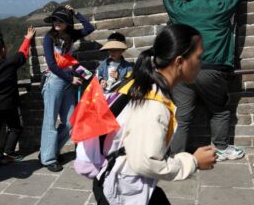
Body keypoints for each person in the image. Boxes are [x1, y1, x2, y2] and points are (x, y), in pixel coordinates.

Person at [93, 24, 216, 204]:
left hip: (123, 181)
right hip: (123, 192)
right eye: (198, 57)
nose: (201, 62)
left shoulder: (145, 84)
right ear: (180, 62)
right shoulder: (153, 105)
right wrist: (194, 161)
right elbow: (146, 163)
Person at [163, 0, 245, 160]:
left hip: (182, 71)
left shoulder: (181, 9)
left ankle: (176, 155)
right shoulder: (221, 5)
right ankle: (221, 148)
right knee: (219, 110)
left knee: (182, 116)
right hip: (212, 70)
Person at [40, 5, 94, 172]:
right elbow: (52, 65)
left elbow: (89, 28)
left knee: (71, 121)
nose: (57, 22)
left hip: (69, 81)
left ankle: (50, 150)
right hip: (55, 81)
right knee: (50, 120)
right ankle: (48, 159)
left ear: (67, 23)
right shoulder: (49, 38)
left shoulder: (71, 36)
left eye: (61, 20)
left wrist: (76, 13)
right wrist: (71, 78)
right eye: (55, 19)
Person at [0, 26, 36, 169]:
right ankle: (9, 152)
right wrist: (28, 38)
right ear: (4, 49)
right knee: (15, 127)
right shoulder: (11, 62)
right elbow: (23, 53)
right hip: (9, 104)